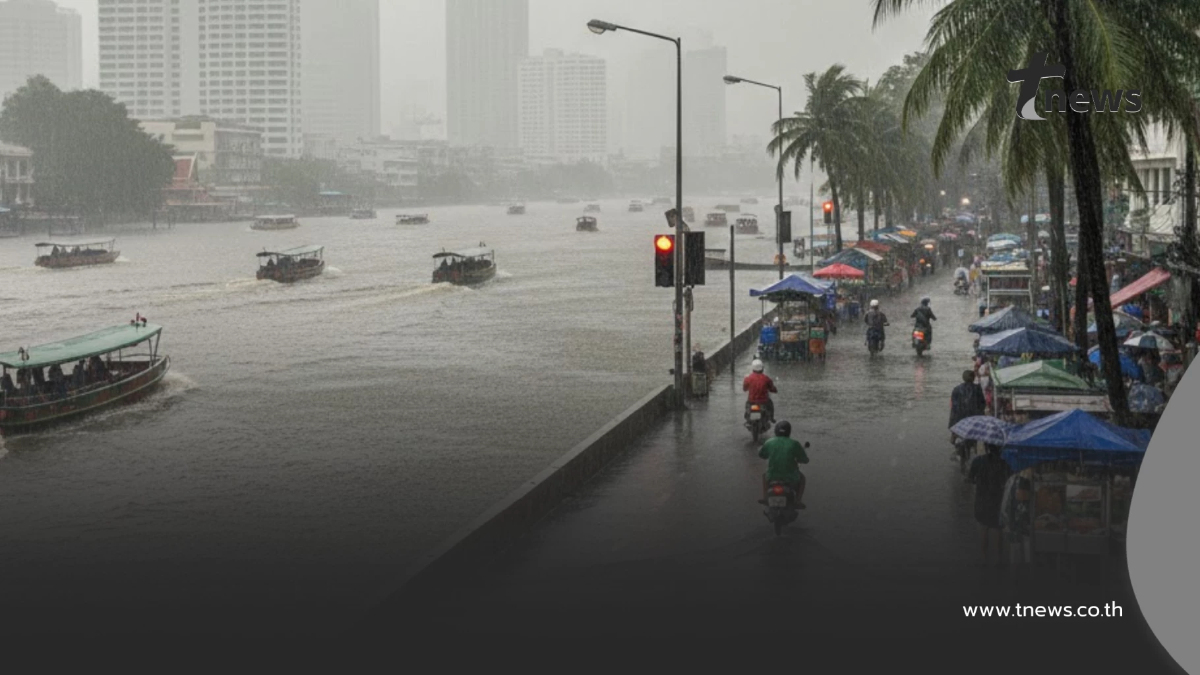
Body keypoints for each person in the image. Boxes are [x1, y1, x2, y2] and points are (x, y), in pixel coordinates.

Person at [969, 443, 1012, 564]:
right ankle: (999, 559)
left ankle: (984, 558)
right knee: (998, 529)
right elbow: (1010, 478)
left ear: (987, 447)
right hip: (998, 499)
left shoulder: (978, 461)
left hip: (982, 500)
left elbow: (971, 479)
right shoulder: (1006, 463)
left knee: (983, 528)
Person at [757, 421, 809, 509]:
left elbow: (762, 455)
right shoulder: (794, 443)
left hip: (772, 476)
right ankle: (798, 501)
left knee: (764, 476)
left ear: (776, 431)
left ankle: (765, 498)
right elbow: (805, 460)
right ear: (789, 431)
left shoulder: (769, 442)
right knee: (802, 479)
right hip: (791, 477)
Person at [743, 359, 777, 424]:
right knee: (770, 404)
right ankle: (771, 418)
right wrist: (774, 390)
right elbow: (772, 389)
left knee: (747, 405)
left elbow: (744, 389)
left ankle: (747, 418)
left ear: (752, 368)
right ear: (762, 369)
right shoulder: (766, 378)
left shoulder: (748, 378)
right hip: (764, 402)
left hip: (751, 401)